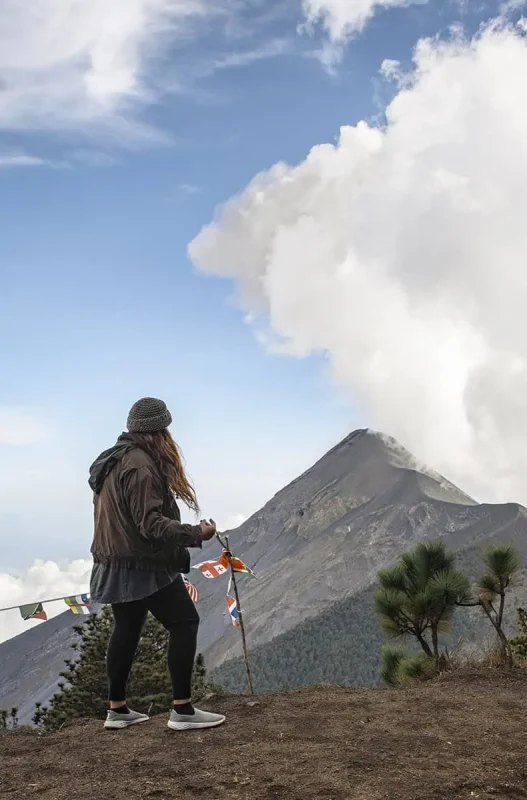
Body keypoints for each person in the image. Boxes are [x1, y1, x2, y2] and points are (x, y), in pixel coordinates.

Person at [88, 397, 225, 732]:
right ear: (158, 431)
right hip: (142, 564)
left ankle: (117, 709)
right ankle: (182, 711)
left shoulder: (114, 460)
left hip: (114, 561)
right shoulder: (142, 467)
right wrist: (198, 533)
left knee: (127, 628)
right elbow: (150, 525)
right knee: (184, 622)